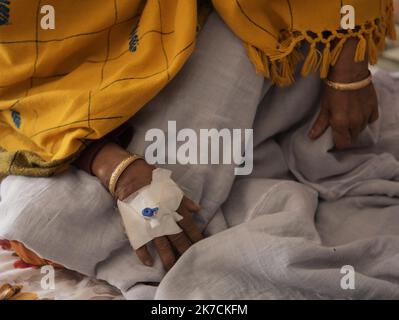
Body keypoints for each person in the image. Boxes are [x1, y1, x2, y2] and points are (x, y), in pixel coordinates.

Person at [0, 0, 396, 272]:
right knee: (36, 217)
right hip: (74, 112)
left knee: (170, 203)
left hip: (248, 32)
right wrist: (109, 164)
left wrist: (349, 64)